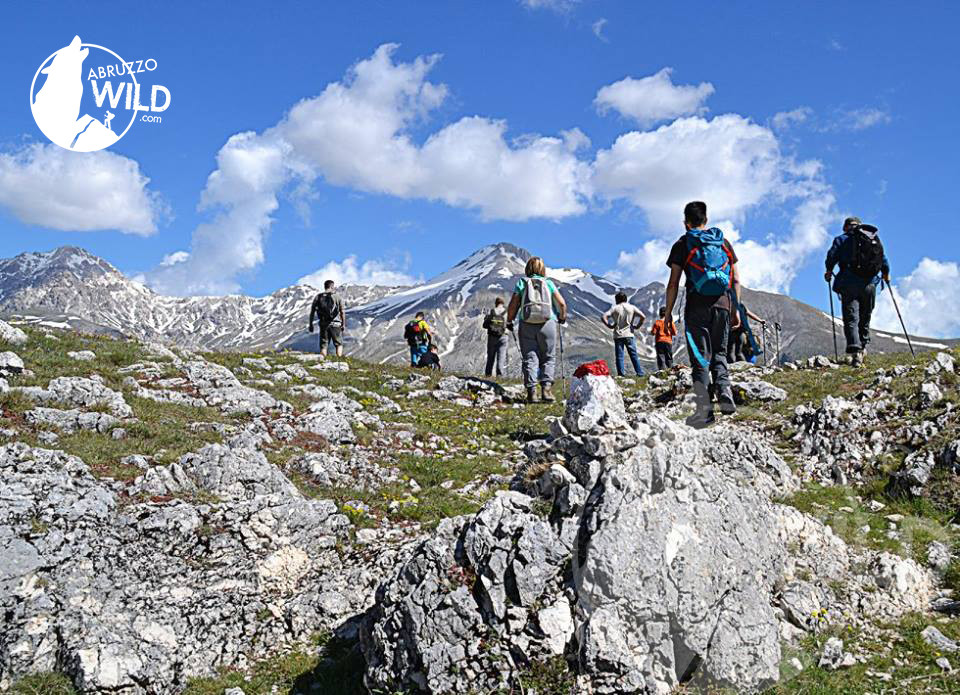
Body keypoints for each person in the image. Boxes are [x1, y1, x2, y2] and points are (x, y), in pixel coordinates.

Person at [663, 201, 741, 428]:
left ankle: (704, 411)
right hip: (723, 304)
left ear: (685, 222)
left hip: (696, 306)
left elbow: (673, 283)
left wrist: (668, 314)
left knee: (700, 359)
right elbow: (735, 279)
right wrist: (735, 310)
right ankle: (724, 391)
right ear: (705, 220)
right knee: (719, 353)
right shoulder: (722, 242)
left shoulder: (682, 243)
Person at [825, 217, 890, 367]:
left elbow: (831, 257)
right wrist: (886, 275)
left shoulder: (841, 239)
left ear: (845, 227)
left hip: (848, 283)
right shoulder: (872, 238)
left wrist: (829, 271)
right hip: (869, 284)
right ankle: (863, 347)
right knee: (865, 315)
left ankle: (855, 351)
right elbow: (883, 259)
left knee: (851, 317)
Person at [507, 256, 567, 404]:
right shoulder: (548, 283)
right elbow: (562, 304)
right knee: (548, 357)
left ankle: (532, 392)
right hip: (548, 323)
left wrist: (509, 320)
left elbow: (513, 305)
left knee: (530, 358)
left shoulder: (522, 282)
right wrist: (562, 317)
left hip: (526, 323)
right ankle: (546, 390)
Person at [602, 291, 645, 377]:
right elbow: (643, 316)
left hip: (618, 335)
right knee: (633, 355)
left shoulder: (614, 308)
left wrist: (610, 325)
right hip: (629, 334)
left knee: (619, 356)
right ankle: (639, 373)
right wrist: (637, 326)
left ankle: (621, 375)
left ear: (616, 300)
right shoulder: (632, 307)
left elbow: (604, 316)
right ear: (626, 299)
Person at [308, 279, 346, 357]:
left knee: (324, 344)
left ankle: (323, 362)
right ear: (332, 286)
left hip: (323, 324)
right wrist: (343, 324)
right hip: (335, 324)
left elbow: (312, 312)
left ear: (325, 286)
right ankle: (339, 361)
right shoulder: (337, 297)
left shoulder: (318, 297)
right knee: (339, 344)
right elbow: (342, 312)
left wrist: (311, 324)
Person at [482, 298, 510, 377]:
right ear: (503, 303)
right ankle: (499, 376)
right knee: (501, 357)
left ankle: (488, 375)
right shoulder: (506, 312)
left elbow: (484, 325)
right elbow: (510, 324)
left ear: (496, 303)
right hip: (504, 336)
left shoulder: (492, 311)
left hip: (492, 337)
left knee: (491, 357)